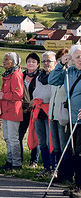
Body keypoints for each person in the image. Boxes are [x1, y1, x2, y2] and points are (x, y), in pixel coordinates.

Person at [50, 45, 81, 197]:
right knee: (75, 153)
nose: (80, 60)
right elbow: (53, 80)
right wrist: (61, 64)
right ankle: (77, 184)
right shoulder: (69, 72)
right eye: (77, 57)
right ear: (72, 59)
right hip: (71, 120)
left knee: (80, 153)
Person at [28, 51, 57, 178]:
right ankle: (46, 167)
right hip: (39, 111)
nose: (46, 63)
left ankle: (53, 168)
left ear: (55, 63)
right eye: (44, 61)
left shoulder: (56, 76)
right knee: (42, 142)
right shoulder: (40, 77)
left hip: (50, 112)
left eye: (49, 61)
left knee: (51, 141)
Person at [48, 48, 73, 184]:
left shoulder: (70, 75)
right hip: (53, 114)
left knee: (65, 146)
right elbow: (51, 82)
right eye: (61, 59)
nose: (64, 61)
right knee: (56, 146)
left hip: (63, 116)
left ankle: (67, 174)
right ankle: (58, 173)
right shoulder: (58, 74)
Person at [0, 52, 24, 171]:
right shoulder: (9, 74)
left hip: (13, 110)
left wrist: (3, 96)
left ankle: (16, 163)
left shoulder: (15, 75)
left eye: (7, 59)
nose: (4, 61)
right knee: (7, 137)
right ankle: (10, 160)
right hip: (7, 110)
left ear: (14, 62)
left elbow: (18, 94)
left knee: (13, 138)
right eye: (4, 59)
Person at [19, 53, 41, 168]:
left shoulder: (40, 77)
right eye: (29, 61)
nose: (30, 64)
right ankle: (19, 159)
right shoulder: (21, 76)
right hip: (22, 111)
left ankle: (34, 161)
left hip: (35, 110)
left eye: (33, 62)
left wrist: (32, 102)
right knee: (19, 136)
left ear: (38, 64)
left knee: (34, 136)